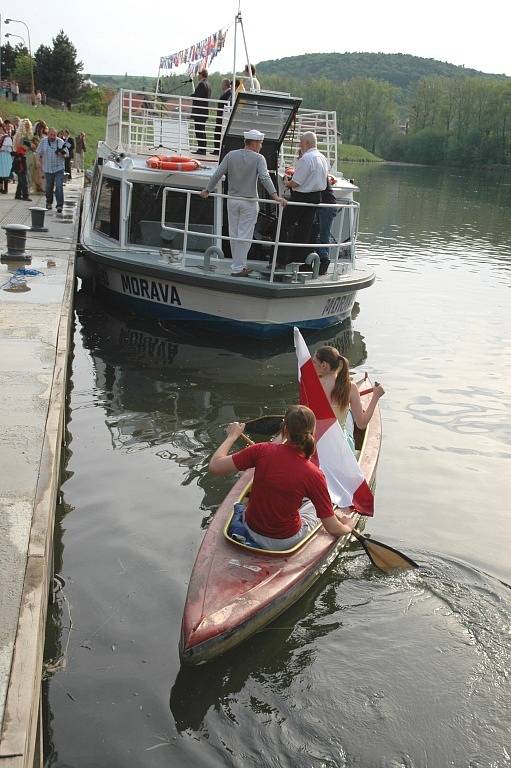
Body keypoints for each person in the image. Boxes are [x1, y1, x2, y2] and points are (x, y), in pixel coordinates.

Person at [209, 405, 356, 551]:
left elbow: (215, 466)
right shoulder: (314, 474)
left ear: (285, 430)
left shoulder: (260, 450)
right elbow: (333, 529)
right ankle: (329, 510)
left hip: (251, 528)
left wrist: (232, 436)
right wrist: (348, 526)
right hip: (284, 541)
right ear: (312, 432)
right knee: (318, 502)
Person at [200, 128, 287, 277]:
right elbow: (265, 178)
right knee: (244, 236)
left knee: (234, 234)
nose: (261, 146)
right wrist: (275, 196)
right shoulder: (259, 159)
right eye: (260, 143)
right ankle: (239, 267)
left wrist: (207, 190)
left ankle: (237, 265)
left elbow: (218, 173)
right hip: (249, 201)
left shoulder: (231, 155)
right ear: (253, 143)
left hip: (232, 200)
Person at [313, 346, 385, 453]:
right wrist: (375, 397)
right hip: (339, 447)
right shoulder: (350, 388)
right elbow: (361, 424)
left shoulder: (312, 385)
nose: (311, 365)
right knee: (348, 417)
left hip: (316, 446)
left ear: (324, 365)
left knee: (348, 416)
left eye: (314, 362)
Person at [277, 131, 329, 267]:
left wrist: (287, 182)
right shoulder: (323, 158)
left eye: (301, 142)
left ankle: (281, 260)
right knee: (304, 230)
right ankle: (299, 260)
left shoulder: (306, 158)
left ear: (306, 143)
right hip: (316, 197)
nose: (300, 145)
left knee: (283, 226)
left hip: (302, 197)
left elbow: (297, 183)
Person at [36, 126, 68, 212]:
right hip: (48, 168)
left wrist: (62, 154)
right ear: (48, 134)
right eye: (51, 135)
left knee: (59, 186)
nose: (53, 137)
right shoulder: (43, 142)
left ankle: (59, 205)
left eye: (54, 135)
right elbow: (38, 152)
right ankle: (49, 202)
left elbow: (67, 154)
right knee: (49, 187)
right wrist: (38, 161)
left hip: (59, 168)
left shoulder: (61, 142)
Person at [312, 176, 338, 275]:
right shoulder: (318, 170)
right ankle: (323, 260)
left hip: (326, 207)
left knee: (323, 234)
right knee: (317, 233)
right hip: (323, 206)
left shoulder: (318, 171)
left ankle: (324, 260)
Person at [191, 69, 211, 155]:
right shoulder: (207, 84)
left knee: (199, 130)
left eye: (199, 74)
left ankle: (202, 149)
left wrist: (192, 95)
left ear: (202, 75)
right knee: (201, 130)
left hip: (200, 112)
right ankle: (202, 148)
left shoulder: (202, 84)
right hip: (202, 111)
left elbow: (199, 96)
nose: (198, 76)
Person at [213, 79, 232, 156]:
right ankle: (216, 149)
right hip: (220, 116)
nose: (221, 86)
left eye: (222, 84)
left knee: (218, 132)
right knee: (217, 132)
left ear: (225, 85)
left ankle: (218, 150)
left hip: (222, 116)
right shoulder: (227, 93)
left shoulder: (228, 93)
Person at [0, 126, 13, 193]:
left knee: (5, 172)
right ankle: (1, 188)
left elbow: (8, 148)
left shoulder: (6, 137)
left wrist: (1, 149)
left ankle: (5, 188)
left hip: (5, 155)